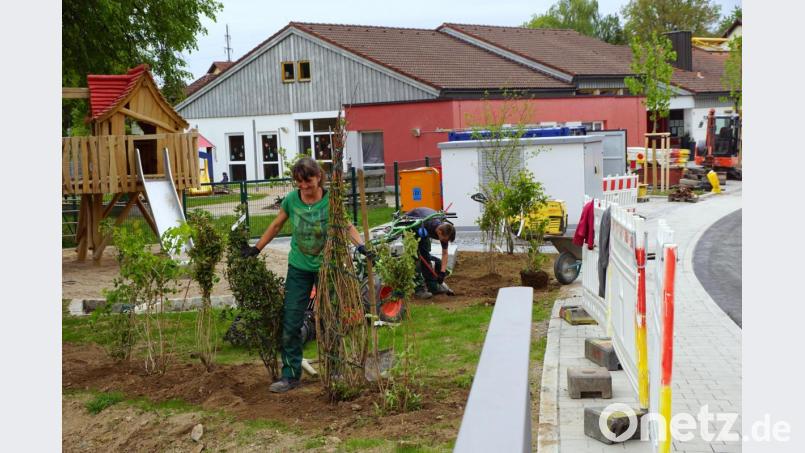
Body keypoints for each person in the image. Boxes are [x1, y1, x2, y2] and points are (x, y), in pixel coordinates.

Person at [242, 157, 372, 393]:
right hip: (299, 268)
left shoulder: (330, 200)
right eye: (299, 182)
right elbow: (276, 225)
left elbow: (345, 225)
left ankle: (335, 368)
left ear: (319, 177)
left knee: (331, 317)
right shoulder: (292, 200)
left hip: (328, 268)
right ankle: (290, 375)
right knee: (291, 319)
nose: (303, 186)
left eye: (308, 181)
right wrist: (256, 248)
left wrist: (361, 246)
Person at [404, 207, 456, 299]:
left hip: (422, 228)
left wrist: (442, 273)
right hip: (411, 224)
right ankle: (419, 289)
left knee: (426, 255)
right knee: (415, 258)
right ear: (439, 232)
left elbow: (445, 253)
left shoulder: (444, 230)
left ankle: (433, 287)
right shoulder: (428, 224)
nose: (445, 241)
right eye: (444, 239)